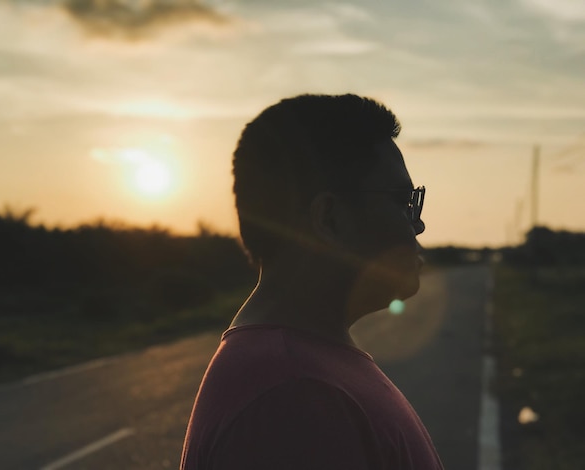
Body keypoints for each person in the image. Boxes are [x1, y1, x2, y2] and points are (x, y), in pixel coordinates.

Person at [180, 94, 443, 469]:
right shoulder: (294, 396)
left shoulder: (300, 369)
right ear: (330, 218)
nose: (417, 225)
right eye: (403, 202)